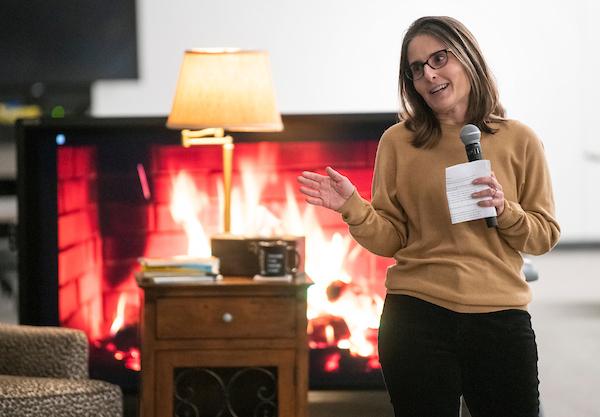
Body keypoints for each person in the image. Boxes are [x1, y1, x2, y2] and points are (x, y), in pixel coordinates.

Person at [297, 16, 560, 417]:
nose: (429, 75)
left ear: (468, 57)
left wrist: (506, 211)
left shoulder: (519, 139)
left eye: (439, 59)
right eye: (417, 69)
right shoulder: (398, 142)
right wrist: (353, 207)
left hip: (499, 317)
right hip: (415, 316)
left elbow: (544, 237)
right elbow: (390, 239)